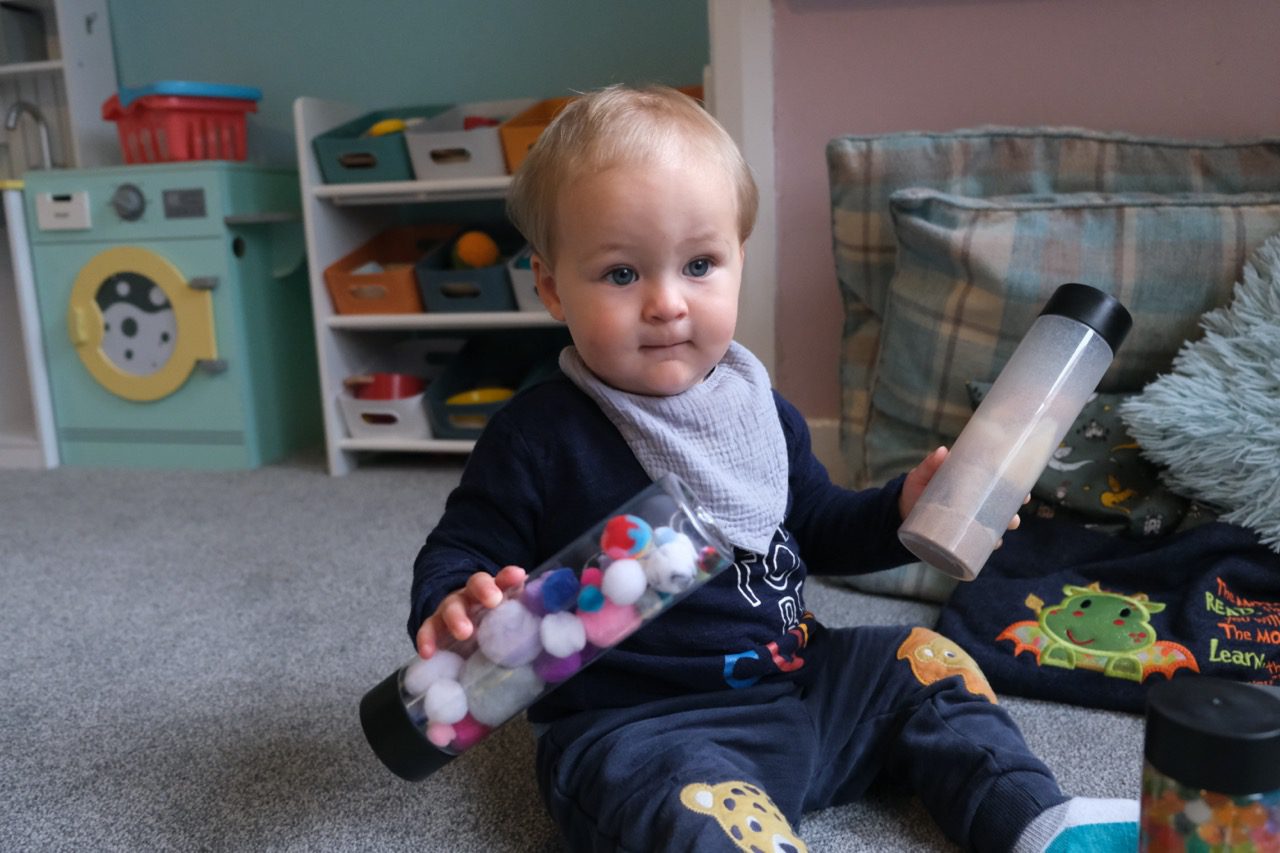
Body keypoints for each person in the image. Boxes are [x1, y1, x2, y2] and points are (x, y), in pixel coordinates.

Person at [408, 85, 1137, 853]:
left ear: (738, 261)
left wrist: (899, 511)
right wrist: (459, 598)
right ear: (553, 286)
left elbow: (817, 525)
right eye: (621, 274)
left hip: (800, 687)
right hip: (644, 726)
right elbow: (462, 545)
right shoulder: (538, 435)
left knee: (923, 663)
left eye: (698, 264)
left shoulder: (760, 411)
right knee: (667, 803)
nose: (666, 303)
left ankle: (1033, 819)